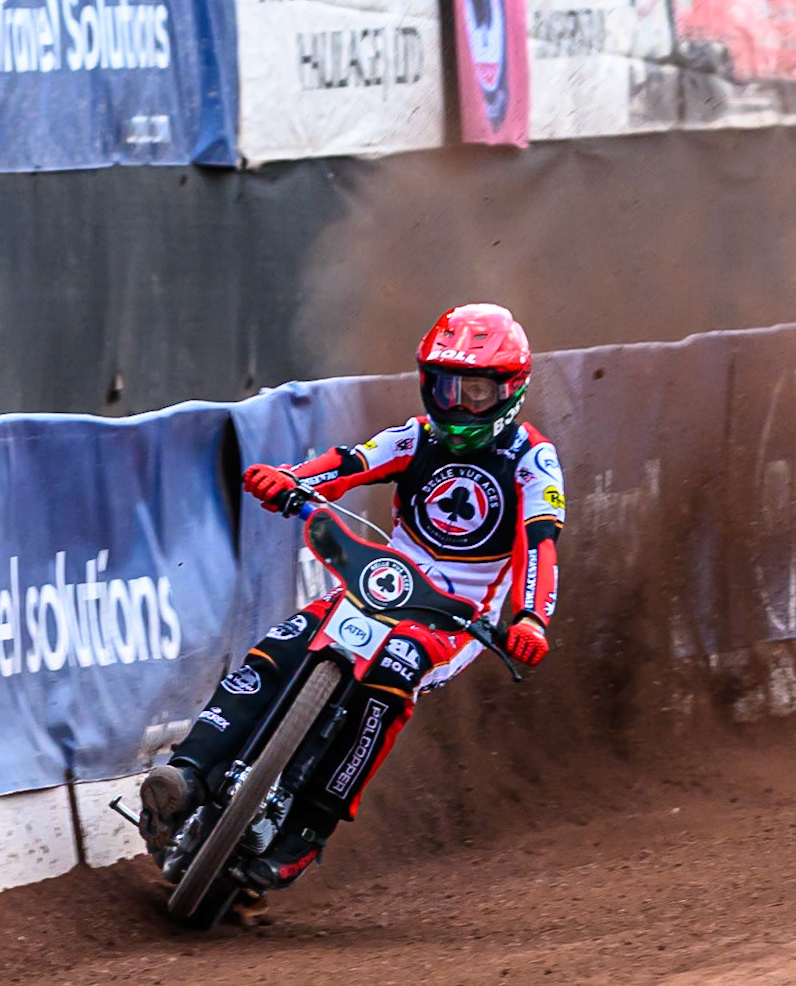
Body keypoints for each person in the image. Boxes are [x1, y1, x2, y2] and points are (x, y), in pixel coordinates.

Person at [140, 303, 564, 891]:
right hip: (384, 584)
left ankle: (304, 834)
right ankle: (186, 775)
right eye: (445, 387)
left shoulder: (531, 460)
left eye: (474, 391)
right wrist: (292, 480)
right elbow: (353, 463)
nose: (457, 404)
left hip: (460, 618)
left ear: (510, 391)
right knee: (284, 642)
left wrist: (531, 619)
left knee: (395, 669)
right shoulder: (417, 437)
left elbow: (540, 544)